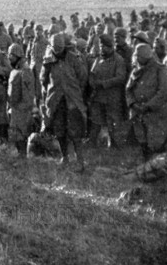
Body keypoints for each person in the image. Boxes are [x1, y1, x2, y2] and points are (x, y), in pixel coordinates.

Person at [41, 33, 88, 171]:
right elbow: (43, 79)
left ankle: (80, 161)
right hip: (56, 101)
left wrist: (74, 91)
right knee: (59, 130)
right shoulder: (48, 60)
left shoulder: (73, 58)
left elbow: (82, 77)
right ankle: (65, 158)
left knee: (75, 132)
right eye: (55, 47)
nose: (58, 50)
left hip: (72, 100)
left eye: (60, 47)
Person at [126, 43, 167, 161]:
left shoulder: (160, 69)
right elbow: (128, 90)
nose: (136, 59)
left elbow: (164, 91)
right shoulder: (136, 70)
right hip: (138, 112)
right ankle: (146, 162)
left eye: (138, 57)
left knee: (156, 142)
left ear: (146, 57)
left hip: (155, 113)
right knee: (142, 138)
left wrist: (148, 106)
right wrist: (133, 104)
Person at [88, 34, 127, 148]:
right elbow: (92, 72)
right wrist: (92, 82)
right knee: (96, 119)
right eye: (101, 47)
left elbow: (121, 77)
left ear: (110, 47)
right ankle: (92, 141)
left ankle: (114, 144)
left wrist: (104, 83)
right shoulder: (99, 58)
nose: (102, 49)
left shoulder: (118, 60)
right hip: (98, 96)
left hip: (112, 96)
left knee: (113, 121)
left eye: (104, 47)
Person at [7, 43, 35, 158]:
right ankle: (20, 155)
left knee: (21, 135)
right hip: (14, 108)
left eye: (11, 56)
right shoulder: (16, 69)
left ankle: (23, 157)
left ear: (18, 56)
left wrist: (21, 110)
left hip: (21, 110)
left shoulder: (25, 71)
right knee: (16, 135)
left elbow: (28, 95)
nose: (9, 59)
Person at [28, 24, 48, 106]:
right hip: (32, 66)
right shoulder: (33, 41)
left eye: (39, 30)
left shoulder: (45, 42)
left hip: (41, 66)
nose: (37, 32)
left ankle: (41, 103)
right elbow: (28, 54)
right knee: (31, 85)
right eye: (36, 30)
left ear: (42, 31)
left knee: (40, 86)